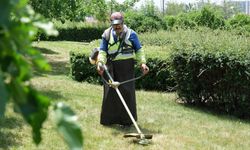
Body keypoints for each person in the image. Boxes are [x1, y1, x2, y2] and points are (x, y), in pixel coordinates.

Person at [96, 12, 149, 127]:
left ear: (123, 22)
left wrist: (142, 63)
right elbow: (103, 51)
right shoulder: (106, 34)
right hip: (110, 67)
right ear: (111, 23)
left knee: (127, 93)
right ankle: (109, 121)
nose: (117, 26)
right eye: (114, 24)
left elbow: (139, 50)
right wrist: (100, 63)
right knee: (110, 94)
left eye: (119, 24)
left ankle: (127, 122)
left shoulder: (132, 34)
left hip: (126, 68)